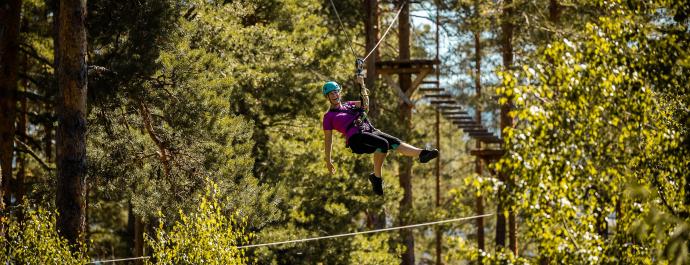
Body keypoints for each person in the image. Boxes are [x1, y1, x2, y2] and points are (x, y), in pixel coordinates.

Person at [322, 77, 439, 196]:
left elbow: (366, 104)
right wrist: (328, 160)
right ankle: (376, 178)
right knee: (383, 144)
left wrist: (362, 84)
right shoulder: (328, 117)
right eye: (331, 93)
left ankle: (422, 154)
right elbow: (328, 139)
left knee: (394, 142)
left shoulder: (350, 105)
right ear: (327, 97)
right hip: (356, 139)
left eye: (336, 91)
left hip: (370, 130)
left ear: (339, 92)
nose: (334, 95)